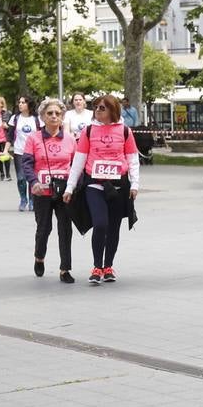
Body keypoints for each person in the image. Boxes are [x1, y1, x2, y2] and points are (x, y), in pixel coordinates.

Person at [63, 95, 139, 286]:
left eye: (102, 107)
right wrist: (70, 187)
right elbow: (78, 161)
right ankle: (97, 267)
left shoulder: (125, 131)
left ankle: (108, 267)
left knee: (114, 227)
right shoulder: (88, 131)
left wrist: (135, 184)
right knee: (100, 223)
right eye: (96, 107)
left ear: (113, 110)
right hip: (94, 184)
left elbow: (132, 159)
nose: (97, 110)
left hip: (118, 186)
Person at [21, 98, 77, 283]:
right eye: (50, 113)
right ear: (43, 117)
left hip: (64, 192)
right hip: (41, 191)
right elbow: (27, 164)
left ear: (62, 117)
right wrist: (34, 181)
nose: (54, 116)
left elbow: (76, 165)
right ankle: (39, 257)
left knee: (65, 229)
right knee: (44, 228)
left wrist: (74, 186)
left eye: (57, 114)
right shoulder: (33, 138)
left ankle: (65, 269)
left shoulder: (70, 140)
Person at [10, 95, 41, 212]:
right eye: (20, 102)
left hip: (34, 152)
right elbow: (10, 136)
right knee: (21, 177)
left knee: (32, 177)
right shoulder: (15, 118)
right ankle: (23, 199)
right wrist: (5, 150)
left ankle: (32, 200)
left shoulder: (37, 119)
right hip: (19, 151)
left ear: (29, 104)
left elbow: (41, 135)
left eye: (23, 102)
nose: (20, 104)